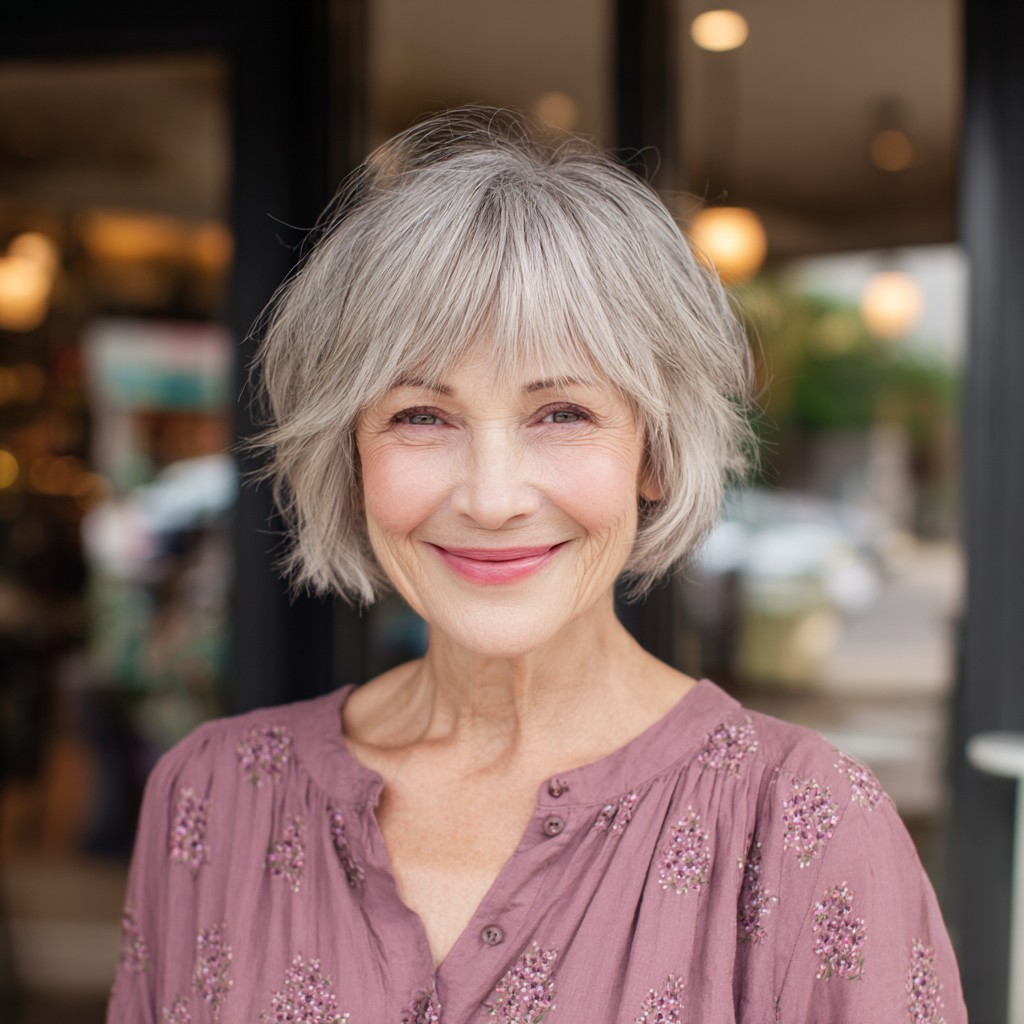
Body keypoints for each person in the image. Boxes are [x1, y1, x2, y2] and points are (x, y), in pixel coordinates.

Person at [107, 107, 965, 1024]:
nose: (491, 496)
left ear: (654, 451)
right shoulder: (213, 795)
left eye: (561, 413)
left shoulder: (806, 828)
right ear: (349, 457)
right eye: (421, 416)